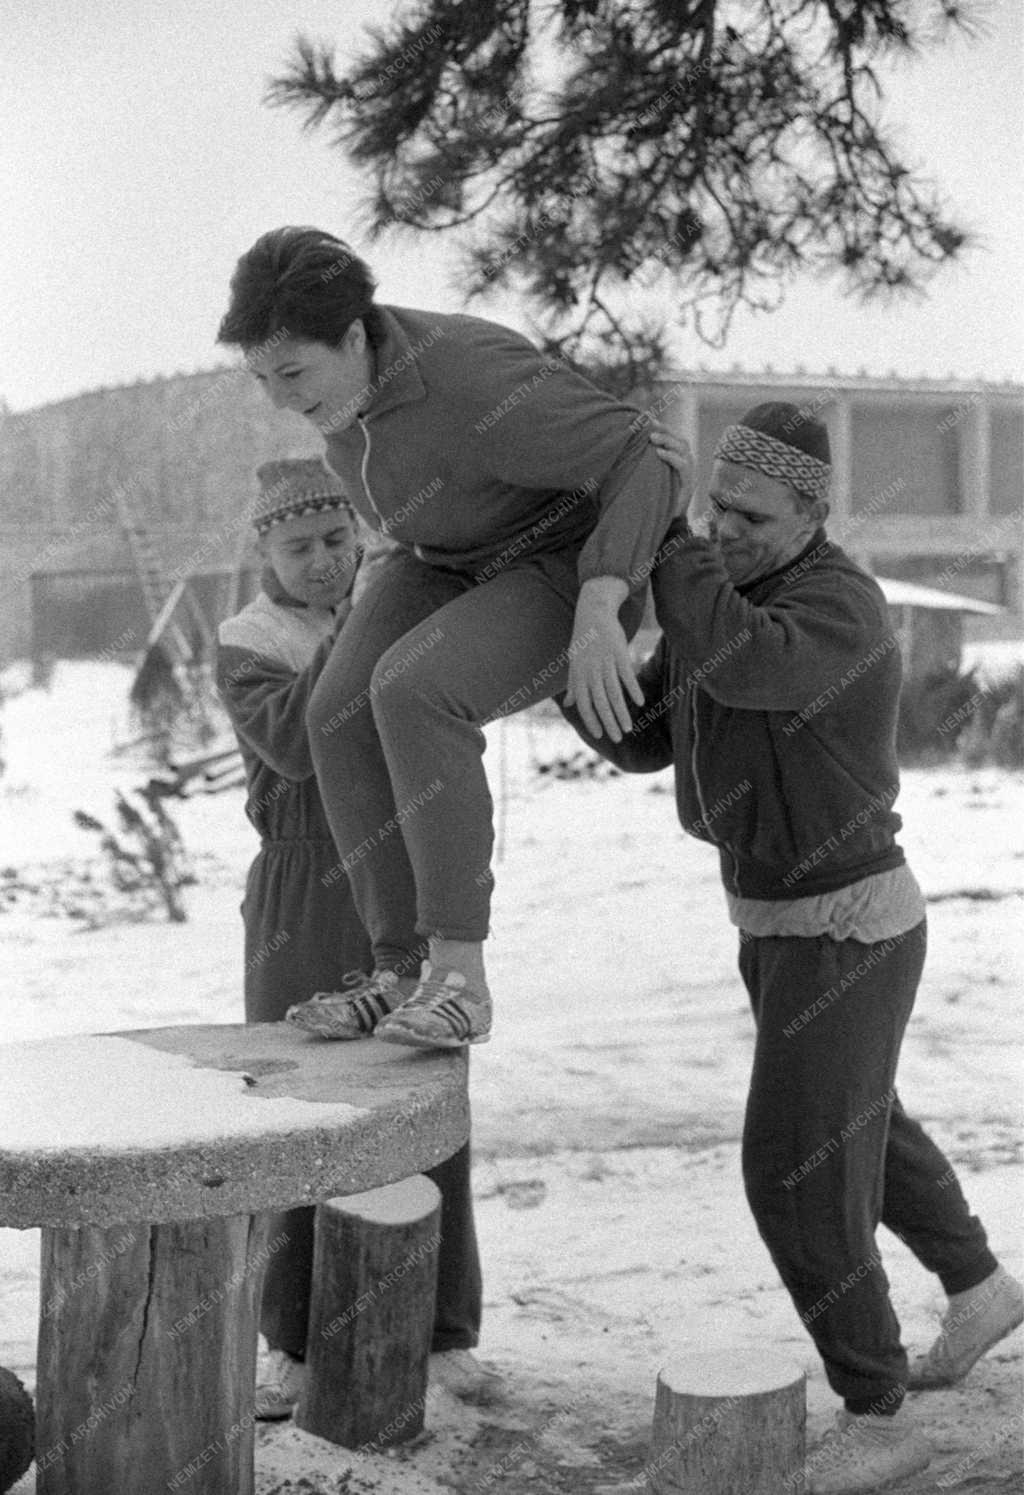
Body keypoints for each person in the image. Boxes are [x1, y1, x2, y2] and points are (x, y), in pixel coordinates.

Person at [563, 405, 1023, 1495]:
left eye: (750, 513)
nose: (723, 527)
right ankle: (978, 1286)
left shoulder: (837, 607)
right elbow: (646, 734)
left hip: (849, 930)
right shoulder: (733, 598)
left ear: (814, 511)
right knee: (859, 1122)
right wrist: (573, 656)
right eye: (715, 505)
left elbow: (738, 662)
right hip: (772, 927)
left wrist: (661, 546)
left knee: (790, 1167)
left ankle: (876, 1407)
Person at [216, 227, 679, 1050]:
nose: (280, 399)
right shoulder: (345, 393)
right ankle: (399, 967)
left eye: (291, 374)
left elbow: (642, 455)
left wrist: (604, 601)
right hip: (447, 557)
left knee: (414, 687)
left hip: (564, 560)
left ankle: (459, 976)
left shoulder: (469, 376)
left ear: (355, 336)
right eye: (259, 379)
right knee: (335, 708)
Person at [216, 458, 495, 1419]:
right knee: (295, 1108)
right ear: (264, 551)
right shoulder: (248, 643)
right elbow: (298, 744)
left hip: (403, 870)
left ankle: (444, 1328)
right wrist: (366, 634)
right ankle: (291, 1341)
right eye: (300, 547)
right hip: (303, 884)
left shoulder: (397, 611)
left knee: (422, 1094)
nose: (326, 562)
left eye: (340, 540)